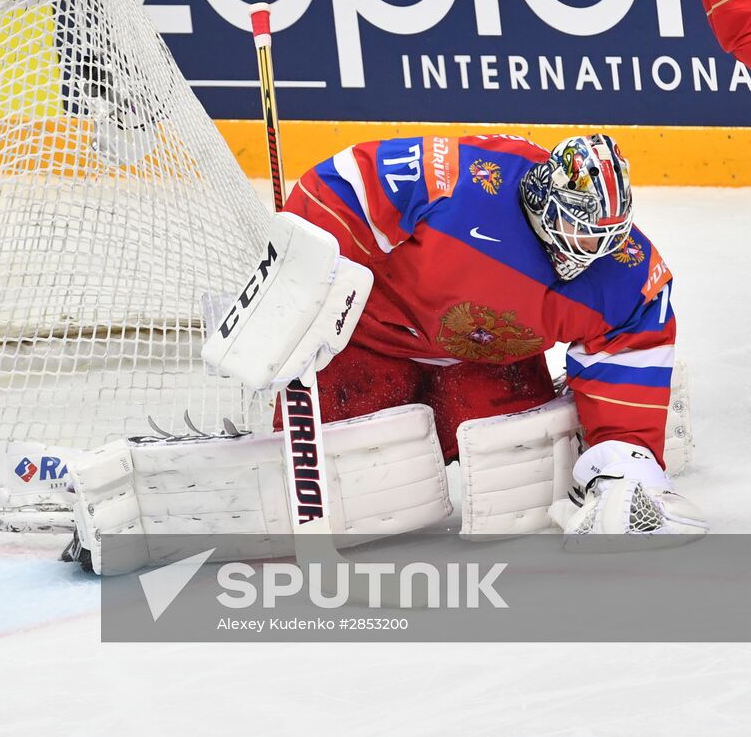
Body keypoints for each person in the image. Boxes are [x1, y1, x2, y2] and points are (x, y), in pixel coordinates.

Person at [284, 133, 692, 532]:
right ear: (544, 200)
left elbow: (635, 335)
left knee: (521, 479)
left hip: (486, 364)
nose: (589, 250)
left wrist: (625, 449)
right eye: (581, 229)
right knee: (340, 478)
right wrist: (301, 275)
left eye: (605, 237)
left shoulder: (625, 268)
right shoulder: (462, 179)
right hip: (368, 339)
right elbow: (344, 187)